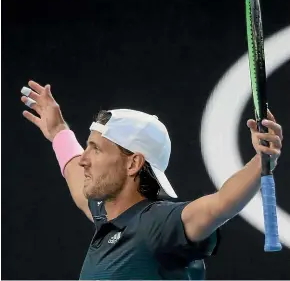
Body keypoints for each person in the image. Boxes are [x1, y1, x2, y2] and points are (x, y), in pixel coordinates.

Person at [20, 80, 283, 280]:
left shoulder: (157, 224)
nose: (83, 159)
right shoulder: (108, 217)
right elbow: (79, 187)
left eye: (96, 149)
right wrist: (58, 132)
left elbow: (220, 205)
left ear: (133, 163)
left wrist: (261, 161)